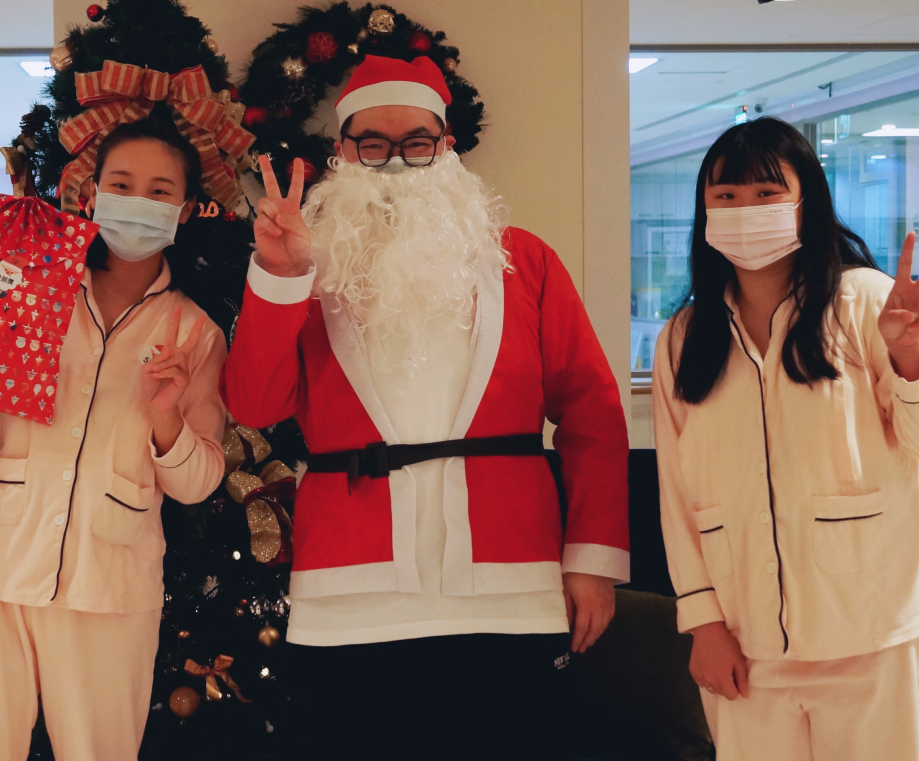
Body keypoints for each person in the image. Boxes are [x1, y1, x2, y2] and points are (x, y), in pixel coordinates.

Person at [221, 55, 630, 758]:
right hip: (349, 596)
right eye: (372, 144)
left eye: (416, 142)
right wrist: (280, 277)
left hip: (510, 586)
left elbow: (592, 413)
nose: (395, 162)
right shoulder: (306, 266)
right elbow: (255, 403)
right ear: (342, 151)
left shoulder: (524, 262)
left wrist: (590, 560)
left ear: (447, 146)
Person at [652, 117, 919, 761]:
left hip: (882, 630)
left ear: (807, 202)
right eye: (726, 195)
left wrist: (909, 357)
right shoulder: (686, 337)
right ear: (705, 210)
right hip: (749, 644)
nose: (745, 210)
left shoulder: (865, 302)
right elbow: (677, 493)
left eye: (767, 194)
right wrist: (703, 620)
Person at [0, 117, 228, 761]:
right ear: (90, 195)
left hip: (109, 585)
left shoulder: (195, 333)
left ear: (186, 209)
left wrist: (166, 417)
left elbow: (198, 484)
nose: (138, 202)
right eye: (122, 184)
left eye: (160, 191)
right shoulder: (26, 286)